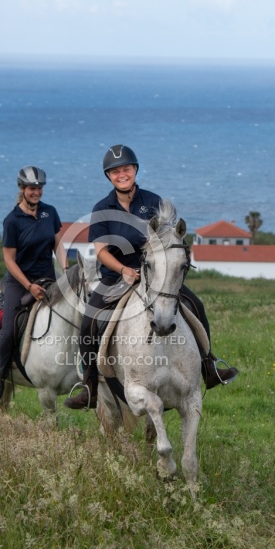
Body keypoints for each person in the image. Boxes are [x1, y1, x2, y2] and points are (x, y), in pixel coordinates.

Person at [64, 144, 239, 410]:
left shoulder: (155, 202)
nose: (122, 174)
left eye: (126, 169)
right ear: (108, 177)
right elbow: (100, 251)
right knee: (89, 321)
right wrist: (123, 269)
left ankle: (209, 367)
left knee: (197, 307)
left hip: (157, 275)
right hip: (117, 276)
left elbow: (172, 239)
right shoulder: (102, 208)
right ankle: (90, 387)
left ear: (135, 170)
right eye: (115, 172)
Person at [0, 165, 69, 400]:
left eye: (40, 188)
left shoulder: (49, 212)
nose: (37, 192)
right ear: (22, 188)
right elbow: (9, 260)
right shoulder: (12, 220)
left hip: (48, 278)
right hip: (19, 281)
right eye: (32, 188)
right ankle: (0, 377)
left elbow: (58, 245)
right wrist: (28, 286)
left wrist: (65, 269)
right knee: (10, 328)